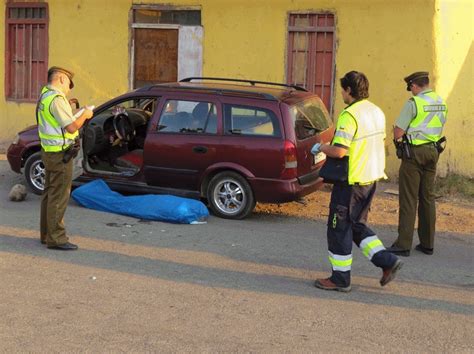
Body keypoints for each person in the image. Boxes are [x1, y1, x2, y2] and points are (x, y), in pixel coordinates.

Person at [312, 71, 402, 292]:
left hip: (351, 181)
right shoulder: (376, 111)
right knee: (357, 225)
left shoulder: (349, 115)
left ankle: (340, 279)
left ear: (349, 90)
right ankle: (387, 262)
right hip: (370, 178)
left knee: (338, 228)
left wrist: (321, 147)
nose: (341, 93)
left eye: (342, 89)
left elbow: (340, 151)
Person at [386, 72, 447, 257]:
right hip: (433, 151)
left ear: (414, 86)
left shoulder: (414, 103)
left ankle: (403, 244)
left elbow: (398, 133)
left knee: (409, 198)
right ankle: (428, 244)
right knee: (427, 198)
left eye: (410, 88)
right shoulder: (440, 101)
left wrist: (397, 133)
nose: (410, 92)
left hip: (414, 154)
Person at [38, 66, 93, 250]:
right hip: (61, 154)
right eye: (69, 84)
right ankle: (57, 238)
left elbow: (55, 123)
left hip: (49, 152)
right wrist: (84, 115)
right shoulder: (57, 99)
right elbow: (71, 128)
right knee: (59, 196)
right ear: (61, 79)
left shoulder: (44, 95)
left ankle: (46, 234)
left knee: (49, 194)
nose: (69, 89)